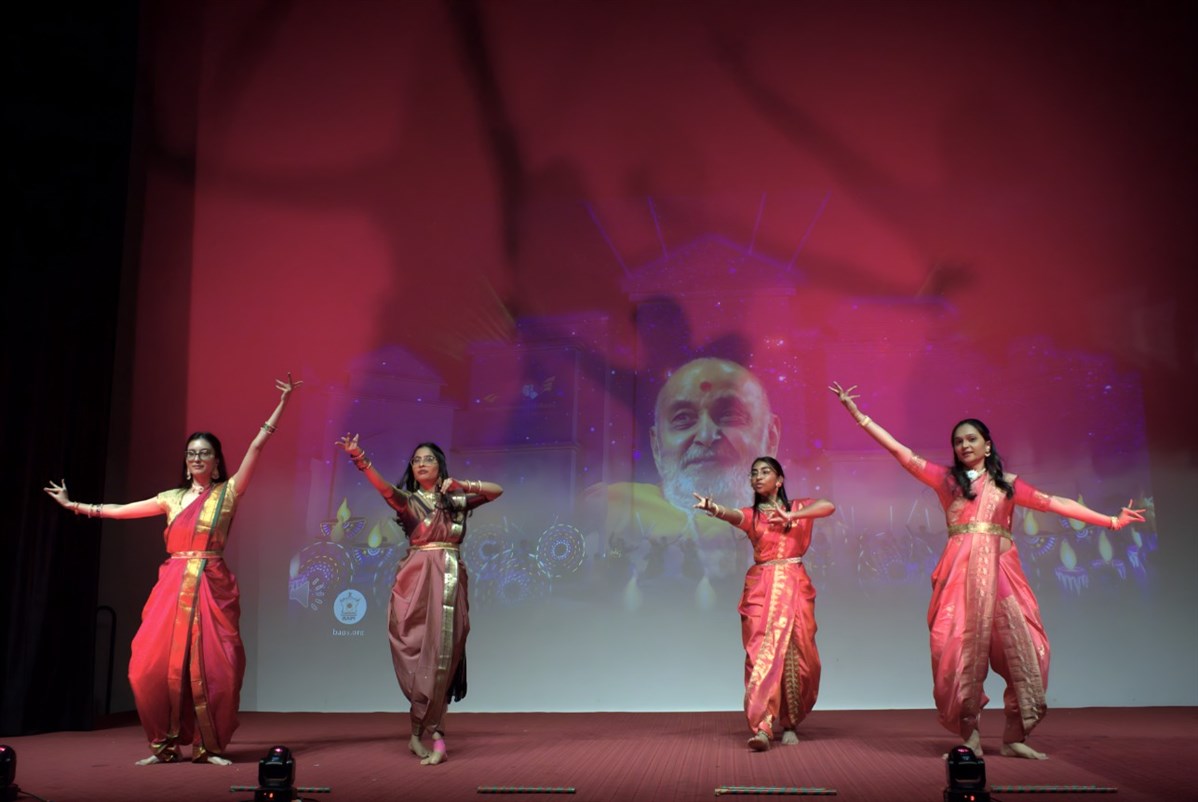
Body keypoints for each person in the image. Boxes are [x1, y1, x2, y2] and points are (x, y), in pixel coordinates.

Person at [828, 382, 1145, 759]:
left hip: (1002, 575)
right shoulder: (947, 482)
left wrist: (1111, 521)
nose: (964, 446)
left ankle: (1014, 737)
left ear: (988, 446)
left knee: (1029, 651)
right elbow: (901, 452)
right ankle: (971, 738)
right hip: (960, 577)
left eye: (971, 439)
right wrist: (859, 416)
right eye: (958, 441)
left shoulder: (1007, 485)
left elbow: (1055, 502)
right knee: (955, 652)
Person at [44, 374, 301, 765]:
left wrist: (281, 405)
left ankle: (207, 746)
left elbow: (256, 447)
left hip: (211, 585)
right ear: (185, 461)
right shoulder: (171, 498)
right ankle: (162, 744)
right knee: (147, 667)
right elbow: (121, 511)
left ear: (216, 462)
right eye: (191, 453)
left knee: (219, 669)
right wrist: (74, 505)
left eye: (205, 453)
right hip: (173, 586)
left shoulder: (229, 493)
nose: (197, 458)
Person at [334, 435, 502, 766]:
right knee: (413, 653)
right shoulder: (407, 502)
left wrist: (462, 485)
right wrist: (359, 457)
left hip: (449, 580)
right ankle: (416, 733)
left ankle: (436, 738)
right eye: (416, 460)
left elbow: (496, 491)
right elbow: (383, 488)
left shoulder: (456, 501)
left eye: (428, 459)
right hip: (414, 582)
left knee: (443, 655)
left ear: (440, 466)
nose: (421, 464)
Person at [586, 357, 782, 586]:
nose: (706, 436)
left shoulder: (797, 524)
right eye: (683, 419)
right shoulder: (614, 506)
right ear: (657, 447)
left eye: (730, 415)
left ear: (771, 438)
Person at [693, 457, 834, 751]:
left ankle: (790, 722)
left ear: (779, 480)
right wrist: (714, 508)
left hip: (794, 585)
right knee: (760, 655)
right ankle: (763, 727)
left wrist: (792, 516)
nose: (757, 477)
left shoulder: (799, 508)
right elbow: (734, 515)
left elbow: (828, 506)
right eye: (753, 473)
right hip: (761, 588)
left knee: (800, 655)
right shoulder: (753, 516)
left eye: (765, 472)